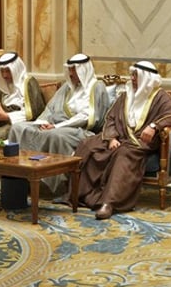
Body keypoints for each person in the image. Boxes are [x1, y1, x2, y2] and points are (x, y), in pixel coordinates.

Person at [74, 61, 171, 220]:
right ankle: (80, 193)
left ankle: (109, 203)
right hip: (119, 135)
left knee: (123, 153)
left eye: (136, 76)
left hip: (139, 142)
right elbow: (111, 117)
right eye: (132, 75)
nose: (132, 79)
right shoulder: (126, 94)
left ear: (147, 78)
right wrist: (111, 138)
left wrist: (153, 126)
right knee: (87, 144)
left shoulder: (161, 97)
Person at [8, 53, 110, 195]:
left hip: (81, 131)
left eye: (75, 70)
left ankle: (53, 186)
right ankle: (17, 179)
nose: (71, 73)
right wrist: (41, 123)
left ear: (84, 70)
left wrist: (57, 126)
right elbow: (49, 109)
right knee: (19, 128)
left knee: (55, 135)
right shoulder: (67, 88)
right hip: (54, 126)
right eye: (70, 69)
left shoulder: (97, 87)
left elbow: (89, 118)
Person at [0, 52, 46, 138]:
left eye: (8, 71)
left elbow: (35, 112)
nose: (4, 75)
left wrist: (7, 117)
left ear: (16, 69)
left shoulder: (29, 83)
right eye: (2, 71)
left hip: (14, 124)